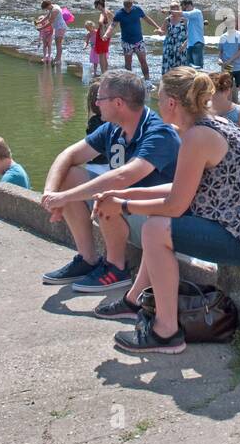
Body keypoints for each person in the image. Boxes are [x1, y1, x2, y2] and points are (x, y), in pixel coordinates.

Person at [95, 67, 240, 354]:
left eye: (159, 98)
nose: (156, 104)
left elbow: (175, 205)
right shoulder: (206, 127)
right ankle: (135, 300)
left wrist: (122, 205)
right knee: (158, 222)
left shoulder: (197, 137)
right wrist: (122, 195)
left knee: (155, 229)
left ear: (172, 103)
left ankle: (166, 332)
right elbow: (179, 190)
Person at [39, 70, 180, 291]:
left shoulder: (159, 133)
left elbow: (123, 177)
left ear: (118, 103)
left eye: (100, 98)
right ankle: (88, 259)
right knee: (69, 175)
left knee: (108, 195)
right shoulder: (112, 128)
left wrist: (63, 198)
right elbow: (68, 155)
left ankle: (116, 268)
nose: (95, 103)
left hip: (160, 221)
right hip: (130, 212)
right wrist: (51, 194)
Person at [114, 0, 163, 79]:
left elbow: (147, 19)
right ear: (124, 6)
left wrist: (158, 27)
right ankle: (129, 80)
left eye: (130, 8)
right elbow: (113, 25)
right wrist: (107, 34)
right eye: (126, 8)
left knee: (143, 61)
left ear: (132, 5)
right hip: (126, 42)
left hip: (138, 41)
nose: (128, 10)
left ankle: (147, 79)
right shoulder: (119, 13)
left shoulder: (137, 10)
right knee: (128, 63)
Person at [217, 22, 240, 109]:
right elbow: (220, 52)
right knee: (228, 87)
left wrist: (230, 60)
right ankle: (229, 110)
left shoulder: (239, 35)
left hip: (238, 66)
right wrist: (219, 60)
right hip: (227, 66)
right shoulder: (223, 37)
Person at [160, 2, 188, 74]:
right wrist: (159, 32)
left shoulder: (184, 20)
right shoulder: (167, 19)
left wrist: (184, 45)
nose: (173, 12)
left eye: (175, 10)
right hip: (169, 46)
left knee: (181, 66)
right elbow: (162, 32)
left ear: (179, 10)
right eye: (172, 10)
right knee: (168, 65)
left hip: (181, 46)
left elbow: (190, 34)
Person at [180, 0, 205, 69]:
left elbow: (186, 14)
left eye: (185, 8)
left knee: (198, 68)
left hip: (197, 44)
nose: (184, 11)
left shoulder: (197, 12)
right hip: (190, 45)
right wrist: (184, 45)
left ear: (189, 5)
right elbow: (191, 34)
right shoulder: (189, 20)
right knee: (190, 68)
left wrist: (170, 11)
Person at [92, 0, 113, 74]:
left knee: (101, 55)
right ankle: (106, 72)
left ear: (99, 5)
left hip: (101, 34)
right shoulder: (108, 11)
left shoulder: (102, 13)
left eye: (96, 6)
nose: (96, 8)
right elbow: (115, 19)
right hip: (108, 34)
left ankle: (103, 73)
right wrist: (108, 26)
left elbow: (100, 22)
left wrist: (101, 28)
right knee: (104, 54)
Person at [36, 0, 56, 64]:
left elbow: (53, 30)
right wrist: (39, 42)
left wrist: (50, 35)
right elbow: (40, 35)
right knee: (44, 45)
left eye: (42, 20)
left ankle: (49, 56)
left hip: (50, 35)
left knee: (49, 45)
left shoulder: (48, 25)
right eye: (40, 20)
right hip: (44, 36)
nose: (42, 22)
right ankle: (44, 57)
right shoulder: (41, 28)